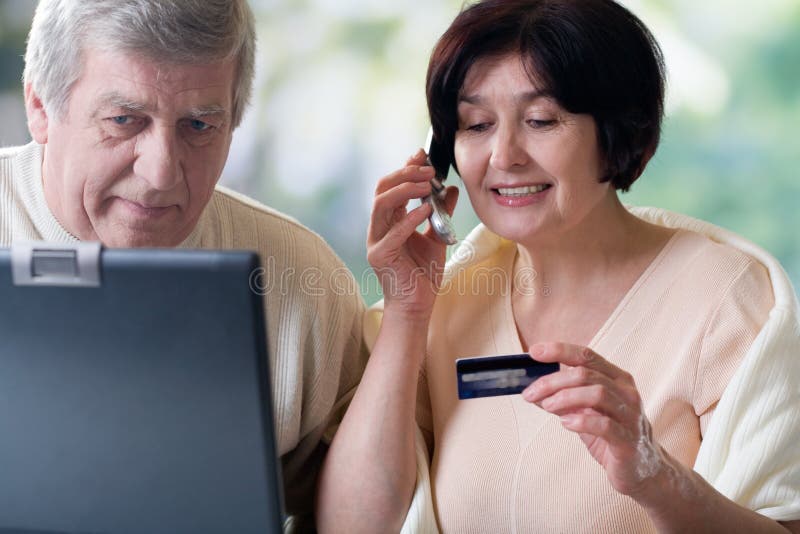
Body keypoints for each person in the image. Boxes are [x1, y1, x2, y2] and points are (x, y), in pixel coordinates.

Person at [316, 0, 800, 532]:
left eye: (541, 120)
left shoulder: (727, 296)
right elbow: (350, 526)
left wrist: (654, 477)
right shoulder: (445, 305)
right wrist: (408, 311)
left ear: (620, 130)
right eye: (475, 124)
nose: (503, 155)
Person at [0, 0, 368, 530]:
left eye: (198, 125)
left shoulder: (305, 283)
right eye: (124, 120)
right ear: (40, 107)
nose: (160, 173)